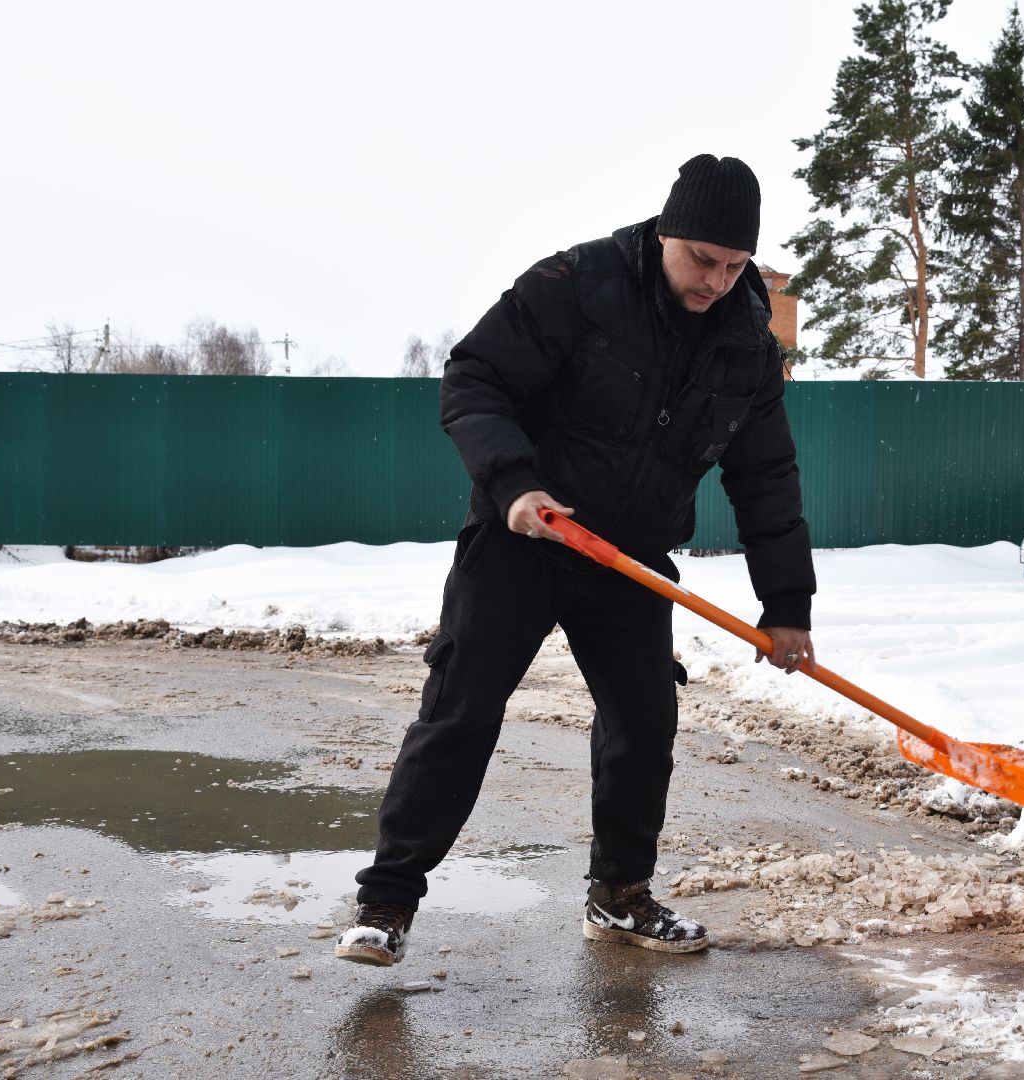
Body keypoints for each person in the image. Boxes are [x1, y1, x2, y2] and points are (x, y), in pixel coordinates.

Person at [336, 154, 815, 967]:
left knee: (643, 725)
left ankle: (619, 897)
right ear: (666, 231)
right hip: (523, 539)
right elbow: (475, 377)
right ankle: (387, 902)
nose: (716, 281)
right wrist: (516, 484)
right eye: (702, 259)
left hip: (627, 559)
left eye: (736, 267)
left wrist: (788, 608)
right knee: (461, 711)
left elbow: (765, 478)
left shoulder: (746, 342)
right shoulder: (577, 283)